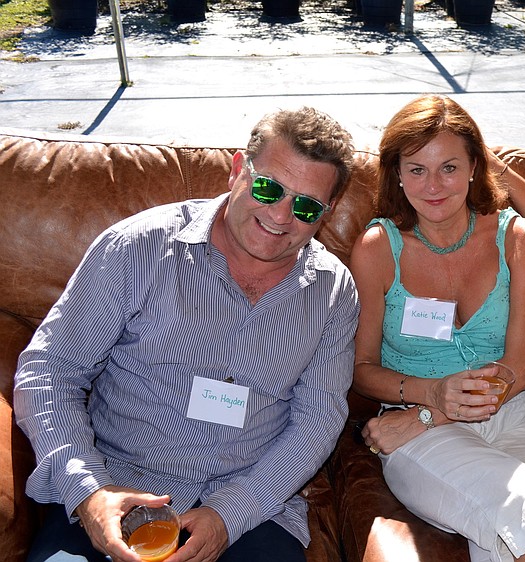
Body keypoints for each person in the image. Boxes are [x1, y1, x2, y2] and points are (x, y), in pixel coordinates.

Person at [13, 107, 360, 562]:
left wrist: (230, 513)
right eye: (268, 187)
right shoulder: (138, 249)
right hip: (117, 487)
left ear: (327, 211)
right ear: (238, 170)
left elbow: (317, 422)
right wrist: (88, 491)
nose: (281, 215)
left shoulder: (333, 292)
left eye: (306, 206)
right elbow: (50, 372)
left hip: (249, 506)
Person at [349, 94, 525, 562]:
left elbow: (519, 368)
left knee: (501, 542)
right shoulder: (379, 247)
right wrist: (429, 401)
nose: (434, 185)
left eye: (450, 167)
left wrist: (435, 411)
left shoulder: (517, 239)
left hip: (511, 418)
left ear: (477, 167)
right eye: (416, 169)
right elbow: (361, 369)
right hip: (418, 429)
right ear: (396, 174)